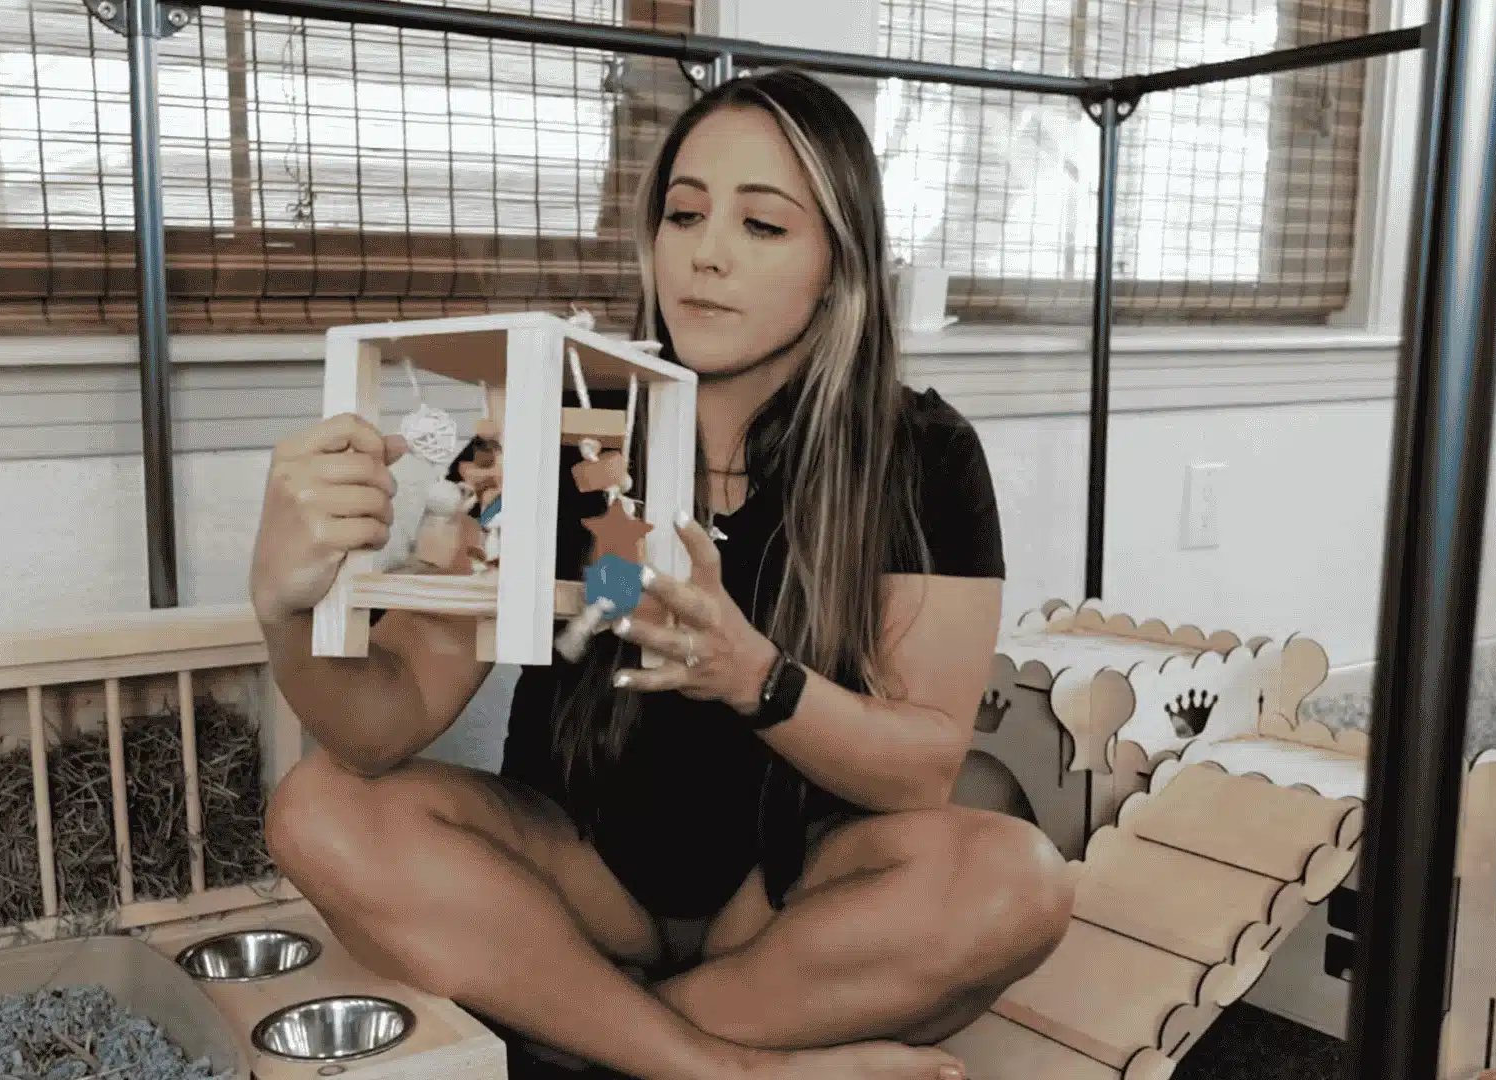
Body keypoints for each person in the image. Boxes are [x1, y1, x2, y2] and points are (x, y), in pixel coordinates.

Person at [248, 69, 1075, 1080]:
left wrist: (753, 677)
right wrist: (284, 606)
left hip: (781, 902)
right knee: (317, 809)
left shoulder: (925, 453)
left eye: (763, 225)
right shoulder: (551, 420)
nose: (707, 253)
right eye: (684, 214)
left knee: (1016, 883)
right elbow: (382, 718)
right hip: (578, 876)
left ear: (839, 264)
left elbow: (920, 767)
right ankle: (722, 1069)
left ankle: (589, 1033)